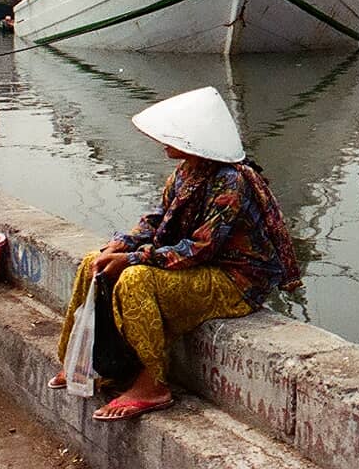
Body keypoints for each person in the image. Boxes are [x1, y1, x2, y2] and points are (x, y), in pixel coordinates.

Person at [47, 86, 302, 421]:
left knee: (136, 280)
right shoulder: (186, 172)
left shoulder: (232, 182)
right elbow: (157, 219)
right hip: (201, 265)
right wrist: (123, 243)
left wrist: (134, 258)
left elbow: (200, 248)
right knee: (91, 264)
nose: (163, 141)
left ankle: (152, 384)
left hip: (237, 280)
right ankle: (88, 361)